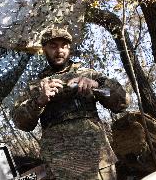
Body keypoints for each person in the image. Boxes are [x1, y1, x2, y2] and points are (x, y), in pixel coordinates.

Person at [12, 28, 130, 180]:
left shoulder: (89, 74)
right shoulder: (35, 87)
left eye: (64, 45)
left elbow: (123, 102)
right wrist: (40, 101)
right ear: (44, 49)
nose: (59, 50)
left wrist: (96, 85)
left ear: (69, 48)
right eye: (53, 46)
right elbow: (21, 123)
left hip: (98, 161)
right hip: (59, 167)